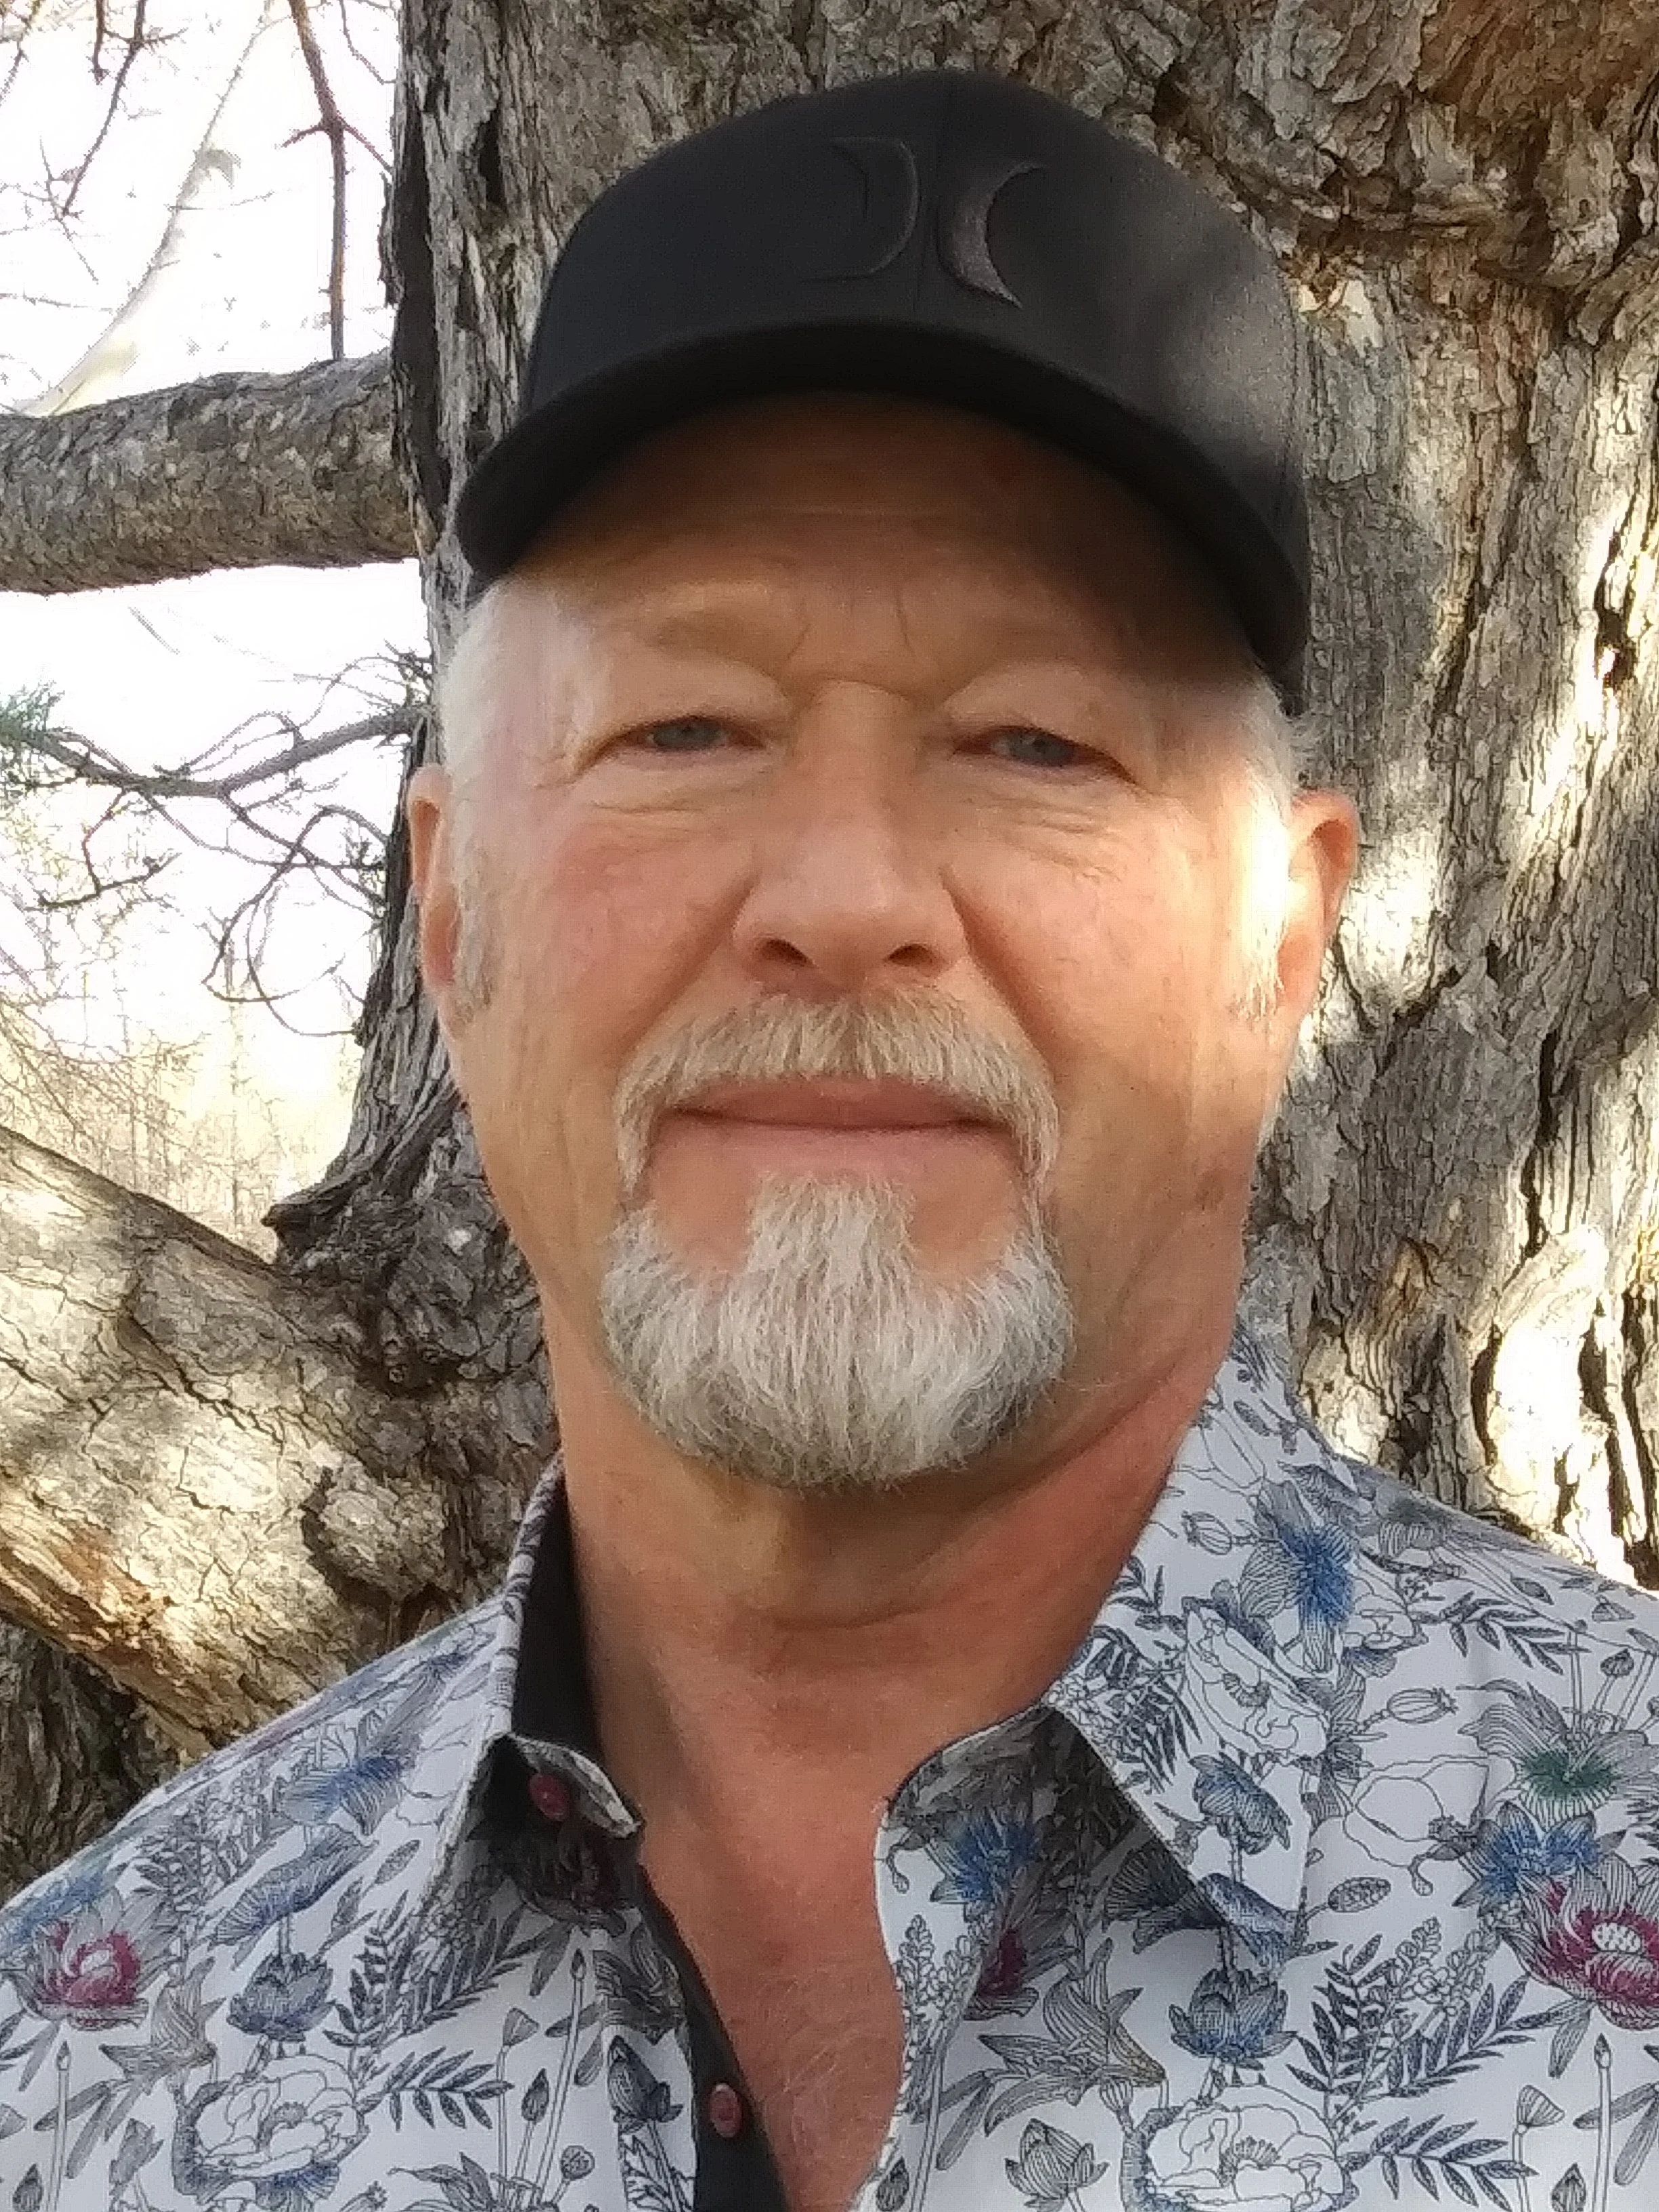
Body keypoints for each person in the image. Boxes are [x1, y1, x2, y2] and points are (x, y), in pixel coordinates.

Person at [3, 68, 1658, 2212]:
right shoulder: (91, 2068)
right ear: (452, 917)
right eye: (687, 727)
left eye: (1032, 742)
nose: (846, 894)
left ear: (1281, 947)